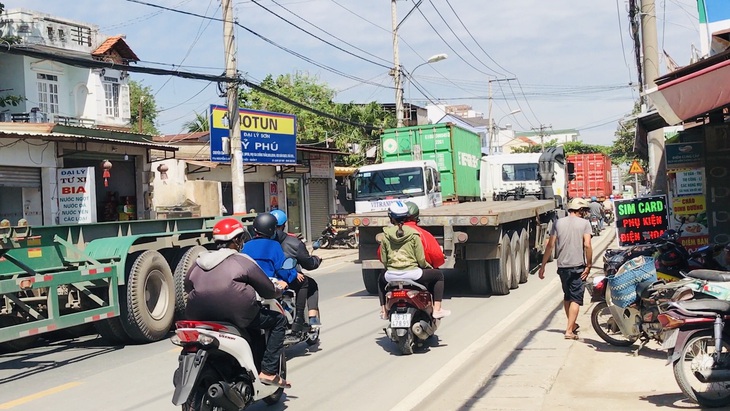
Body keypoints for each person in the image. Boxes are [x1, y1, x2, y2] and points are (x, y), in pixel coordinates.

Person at [184, 218, 290, 388]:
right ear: (236, 240)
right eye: (241, 238)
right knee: (279, 321)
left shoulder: (199, 262)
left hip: (198, 315)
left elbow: (187, 286)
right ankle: (269, 371)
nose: (242, 242)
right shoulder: (243, 261)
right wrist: (279, 289)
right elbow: (268, 290)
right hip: (238, 315)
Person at [378, 201, 450, 320]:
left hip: (391, 275)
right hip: (413, 274)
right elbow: (421, 259)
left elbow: (384, 259)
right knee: (438, 276)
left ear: (391, 219)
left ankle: (384, 311)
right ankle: (437, 309)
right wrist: (427, 267)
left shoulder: (386, 235)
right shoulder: (415, 234)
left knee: (380, 280)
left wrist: (390, 268)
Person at [241, 213, 309, 333]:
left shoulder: (246, 246)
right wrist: (293, 274)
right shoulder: (274, 245)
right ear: (272, 229)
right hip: (270, 286)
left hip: (250, 287)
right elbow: (283, 269)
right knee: (304, 283)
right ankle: (298, 320)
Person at [538, 198, 593, 340]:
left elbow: (550, 245)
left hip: (562, 266)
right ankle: (569, 331)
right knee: (576, 298)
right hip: (577, 267)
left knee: (567, 296)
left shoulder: (558, 223)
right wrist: (589, 265)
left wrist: (543, 265)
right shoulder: (585, 224)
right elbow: (587, 245)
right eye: (584, 211)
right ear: (580, 210)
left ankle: (572, 324)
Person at [270, 209, 323, 328]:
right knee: (310, 284)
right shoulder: (293, 242)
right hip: (284, 278)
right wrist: (316, 260)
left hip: (265, 279)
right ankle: (306, 318)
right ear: (284, 225)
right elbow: (307, 263)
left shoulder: (258, 242)